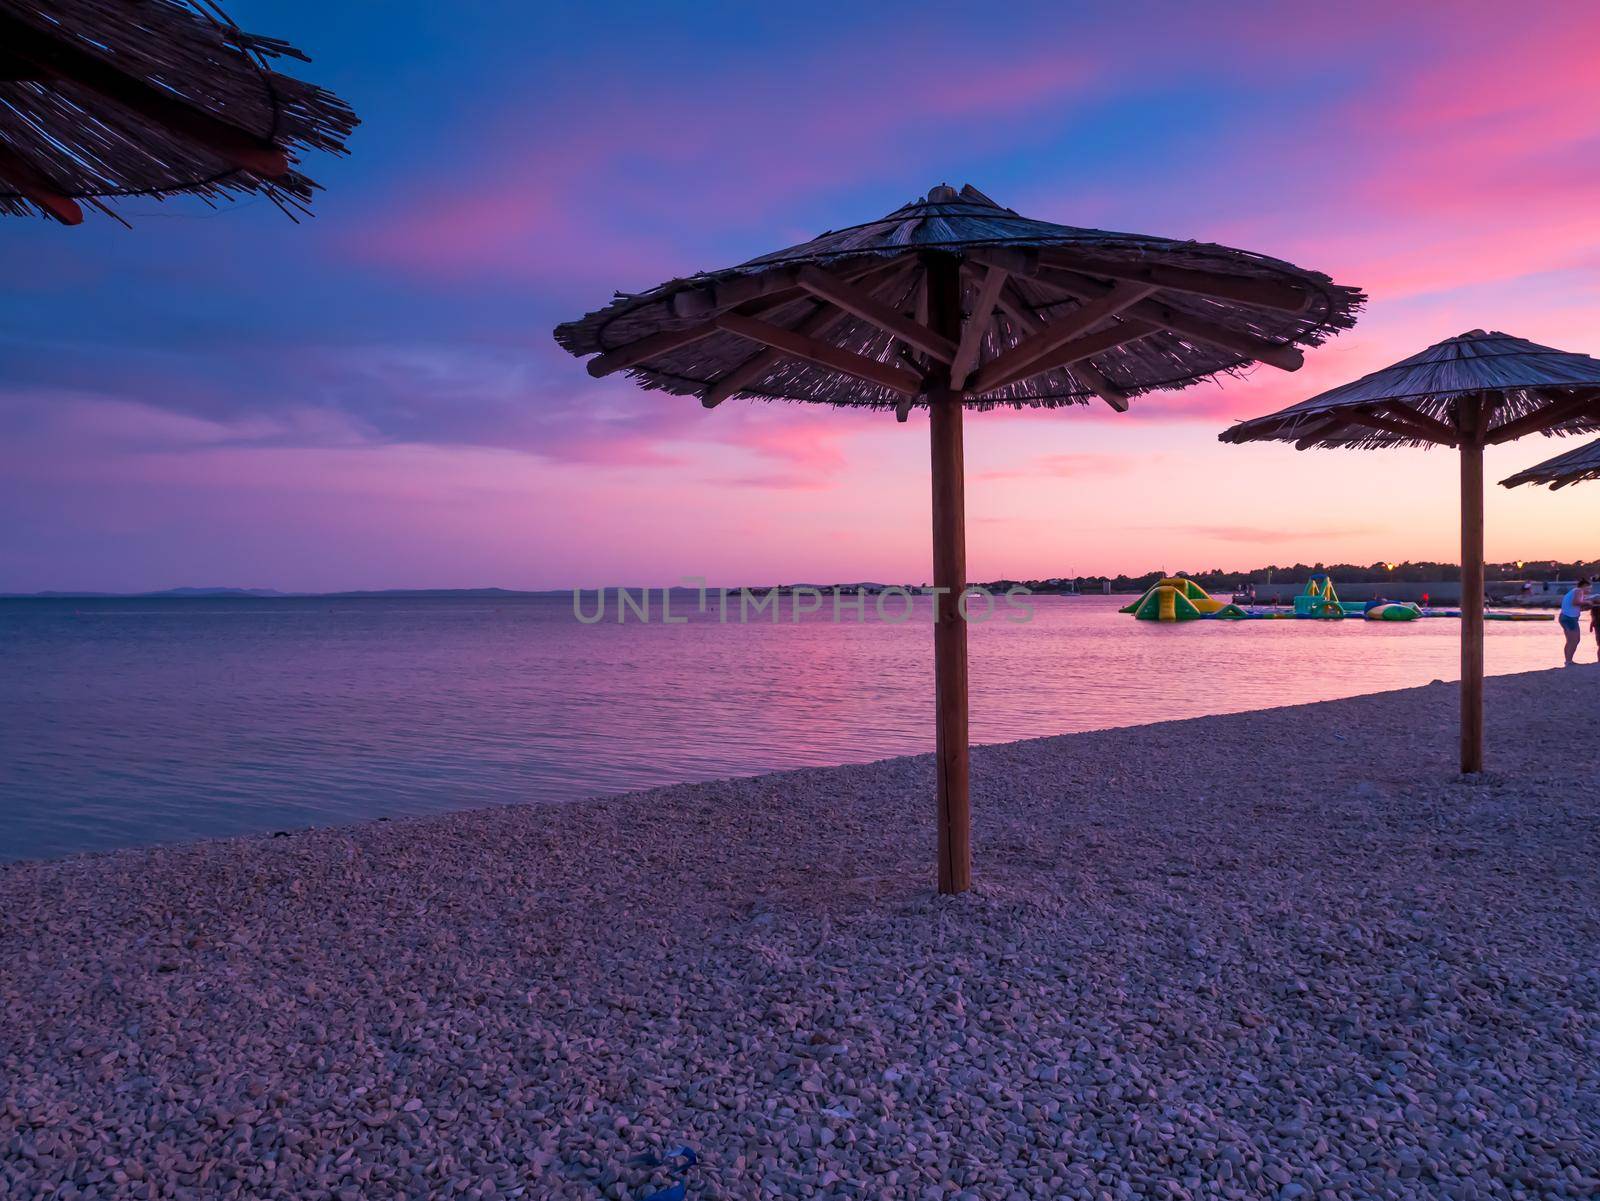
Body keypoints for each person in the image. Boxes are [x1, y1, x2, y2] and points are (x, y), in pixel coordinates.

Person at [1559, 577, 1590, 665]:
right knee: (1575, 640)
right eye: (1588, 588)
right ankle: (1569, 661)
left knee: (1570, 640)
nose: (1589, 590)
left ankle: (1567, 661)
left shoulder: (1573, 591)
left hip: (1564, 617)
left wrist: (1585, 607)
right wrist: (1588, 602)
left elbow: (1573, 606)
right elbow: (1575, 602)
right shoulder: (1579, 591)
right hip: (1570, 618)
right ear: (1584, 586)